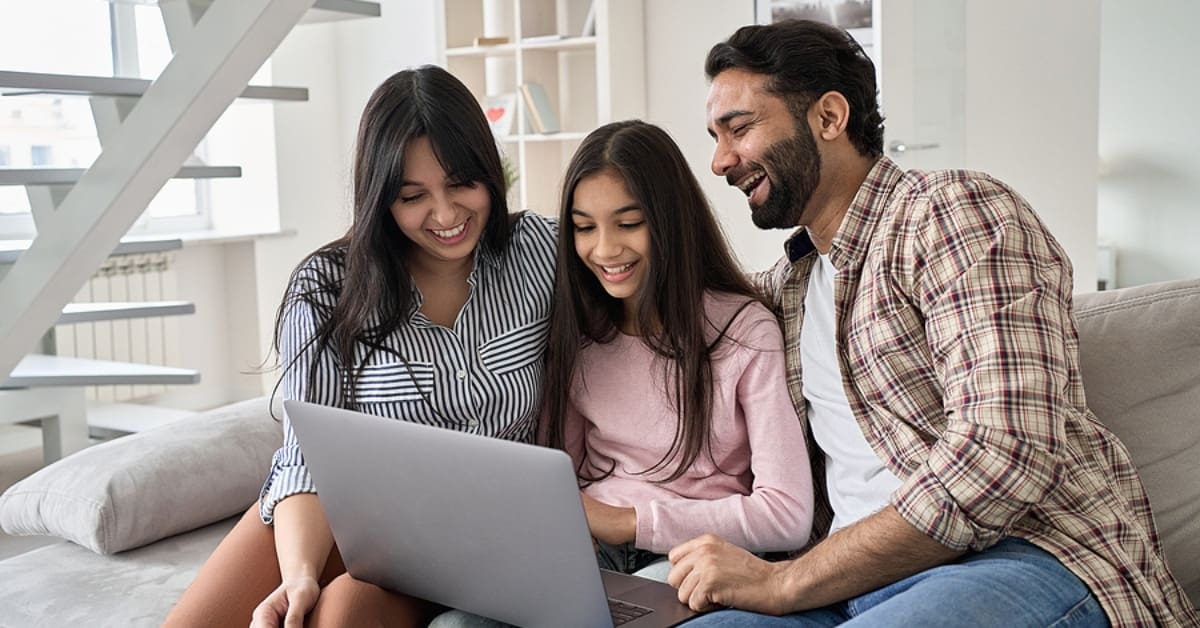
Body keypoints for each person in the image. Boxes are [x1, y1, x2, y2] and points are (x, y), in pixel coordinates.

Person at [667, 19, 1200, 627]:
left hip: (1023, 556)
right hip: (844, 585)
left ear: (830, 117)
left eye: (739, 128)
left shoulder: (951, 214)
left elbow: (1006, 453)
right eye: (714, 136)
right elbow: (666, 320)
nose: (719, 161)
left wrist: (786, 581)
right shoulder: (787, 290)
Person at [163, 65, 557, 628]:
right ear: (381, 199)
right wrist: (298, 573)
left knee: (343, 613)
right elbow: (306, 451)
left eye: (462, 184)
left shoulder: (540, 253)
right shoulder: (327, 286)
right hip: (350, 511)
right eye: (413, 196)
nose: (445, 215)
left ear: (489, 175)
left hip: (476, 530)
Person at [428, 120, 814, 628]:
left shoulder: (743, 330)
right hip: (592, 555)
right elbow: (559, 473)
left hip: (692, 559)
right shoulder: (579, 334)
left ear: (669, 221)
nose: (605, 250)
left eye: (628, 223)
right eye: (585, 228)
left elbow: (787, 515)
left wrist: (626, 522)